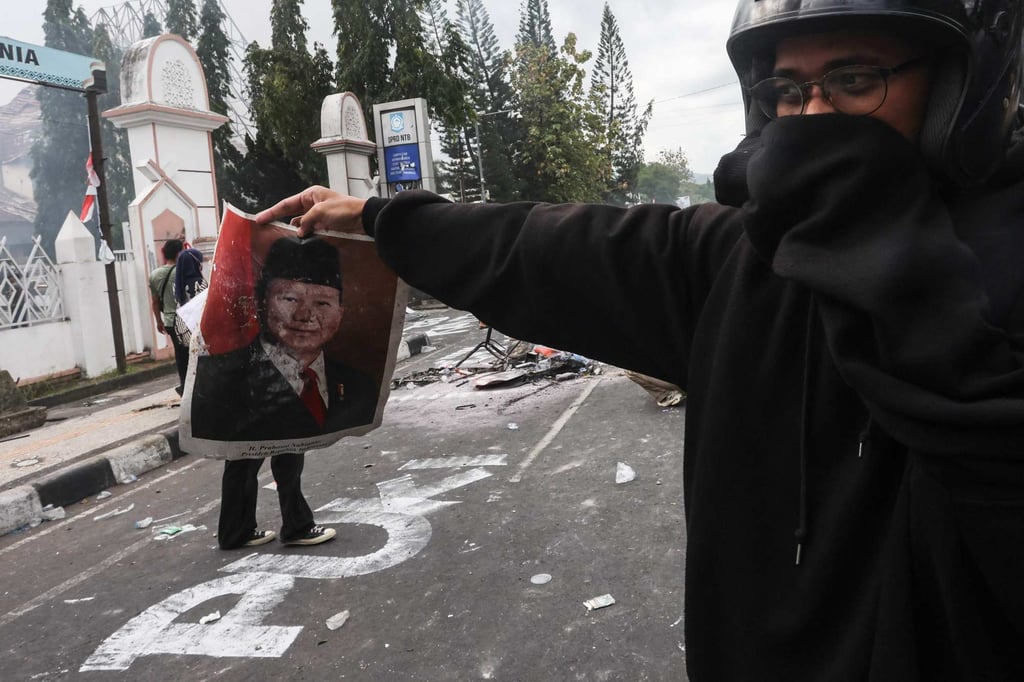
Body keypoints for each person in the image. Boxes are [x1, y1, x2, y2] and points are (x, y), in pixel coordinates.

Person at [256, 0, 1024, 678]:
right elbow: (542, 246)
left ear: (959, 87)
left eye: (856, 81)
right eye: (789, 91)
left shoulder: (1001, 280)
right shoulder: (733, 259)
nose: (814, 118)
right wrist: (381, 220)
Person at [191, 235, 377, 549]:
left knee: (271, 454)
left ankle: (242, 530)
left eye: (322, 303)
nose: (306, 315)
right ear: (262, 302)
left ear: (341, 313)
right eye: (290, 299)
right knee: (251, 456)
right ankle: (291, 526)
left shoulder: (358, 382)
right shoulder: (225, 375)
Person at [148, 239, 188, 394]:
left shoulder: (154, 275)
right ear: (179, 253)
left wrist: (159, 321)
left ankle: (184, 384)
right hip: (186, 319)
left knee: (180, 353)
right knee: (190, 353)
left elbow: (155, 302)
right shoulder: (184, 271)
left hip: (170, 322)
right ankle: (189, 385)